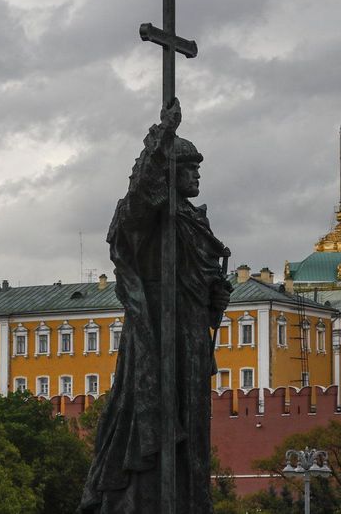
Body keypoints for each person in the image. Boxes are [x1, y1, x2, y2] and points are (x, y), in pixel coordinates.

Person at [81, 98, 231, 513]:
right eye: (189, 167)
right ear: (168, 172)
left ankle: (187, 498)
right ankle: (140, 498)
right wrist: (161, 138)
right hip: (156, 327)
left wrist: (216, 294)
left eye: (198, 167)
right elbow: (136, 208)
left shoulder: (193, 219)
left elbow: (201, 274)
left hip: (190, 328)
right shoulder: (147, 214)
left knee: (192, 419)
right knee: (148, 410)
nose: (197, 174)